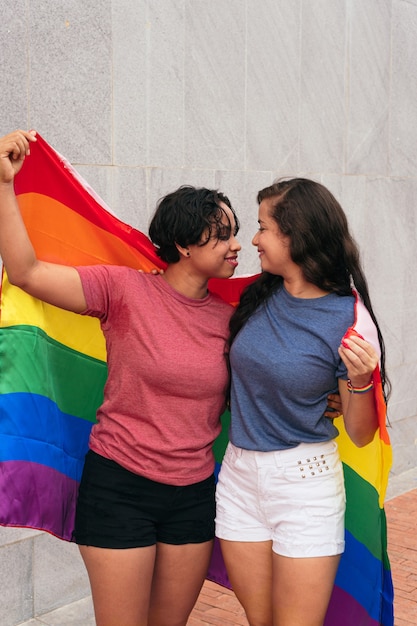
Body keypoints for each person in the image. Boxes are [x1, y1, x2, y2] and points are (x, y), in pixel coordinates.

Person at [0, 131, 342, 625]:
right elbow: (28, 271)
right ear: (183, 244)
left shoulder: (236, 318)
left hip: (194, 497)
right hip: (118, 487)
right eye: (221, 234)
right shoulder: (122, 291)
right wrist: (5, 184)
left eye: (238, 230)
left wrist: (328, 393)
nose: (237, 244)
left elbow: (274, 374)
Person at [215, 178, 389, 626]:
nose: (253, 239)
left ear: (297, 236)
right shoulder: (256, 294)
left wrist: (360, 380)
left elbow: (359, 432)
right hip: (238, 479)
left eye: (263, 227)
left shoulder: (347, 318)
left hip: (304, 486)